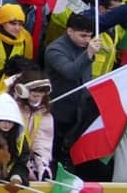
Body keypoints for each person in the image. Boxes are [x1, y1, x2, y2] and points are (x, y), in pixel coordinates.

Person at [44, 13, 100, 159]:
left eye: (90, 36)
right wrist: (88, 54)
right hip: (59, 109)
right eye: (83, 36)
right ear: (69, 31)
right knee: (54, 150)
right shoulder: (55, 49)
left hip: (80, 108)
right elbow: (71, 73)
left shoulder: (84, 46)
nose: (87, 40)